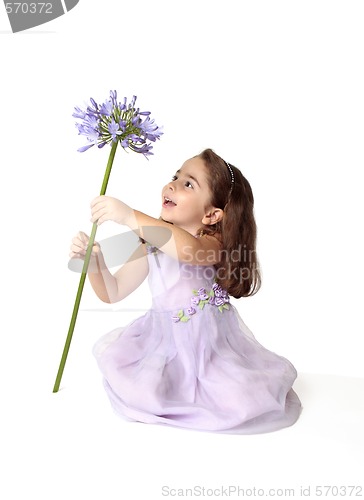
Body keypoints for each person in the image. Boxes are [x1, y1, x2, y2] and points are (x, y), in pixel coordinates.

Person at [70, 148, 301, 433]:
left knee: (236, 398)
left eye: (188, 184)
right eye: (175, 177)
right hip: (163, 340)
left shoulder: (212, 245)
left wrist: (129, 216)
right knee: (146, 392)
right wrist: (96, 264)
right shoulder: (150, 243)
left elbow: (187, 250)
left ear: (212, 214)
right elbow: (113, 292)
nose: (173, 185)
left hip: (206, 347)